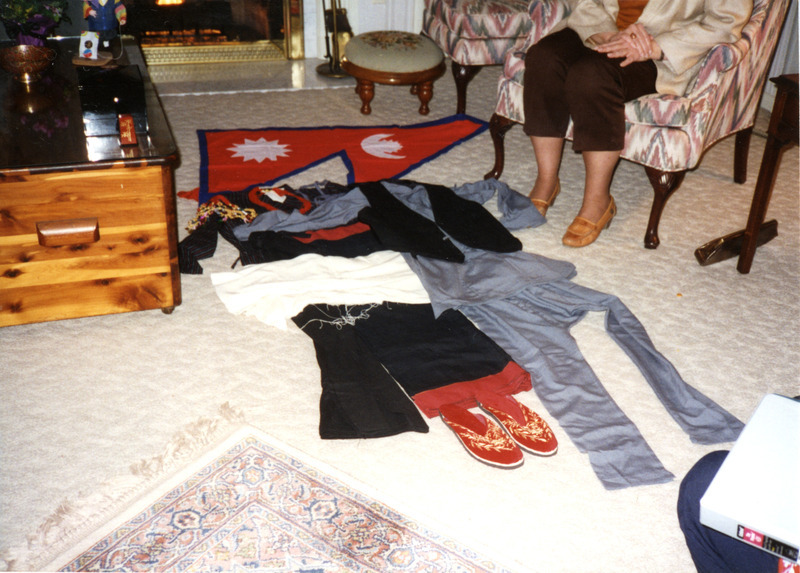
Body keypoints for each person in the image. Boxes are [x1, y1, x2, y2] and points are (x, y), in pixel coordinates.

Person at [522, 0, 752, 247]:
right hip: (601, 27)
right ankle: (546, 181)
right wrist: (607, 33)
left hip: (661, 50)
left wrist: (657, 47)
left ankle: (598, 201)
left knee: (590, 77)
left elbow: (727, 22)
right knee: (543, 59)